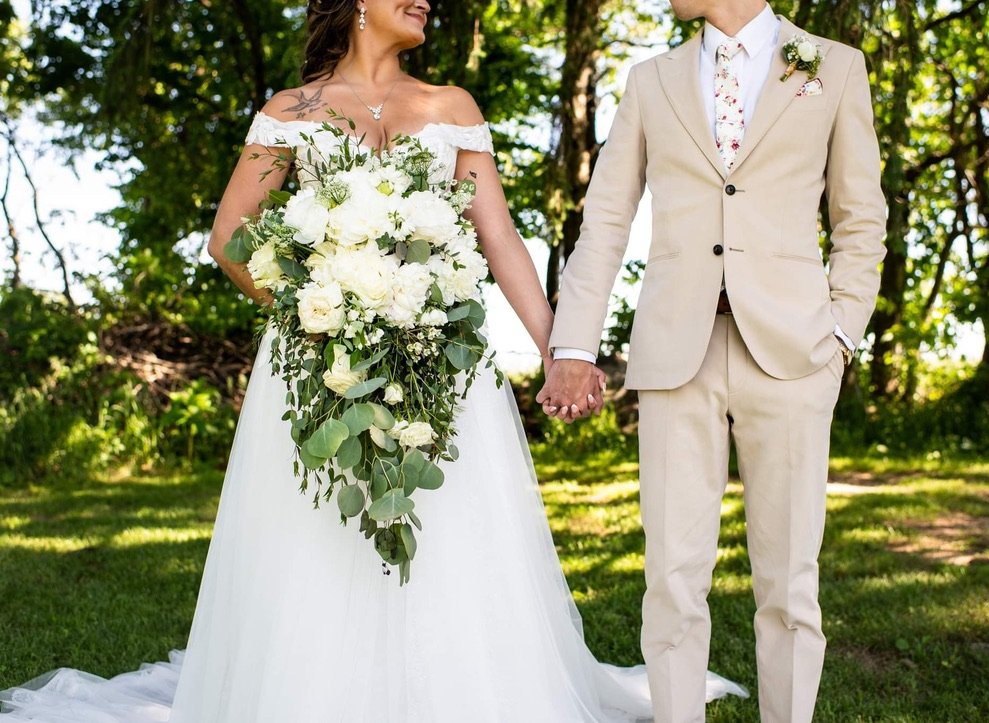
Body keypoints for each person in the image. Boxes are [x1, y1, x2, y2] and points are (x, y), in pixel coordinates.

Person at [0, 2, 749, 721]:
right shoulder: (291, 110)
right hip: (320, 362)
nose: (425, 1)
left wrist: (563, 352)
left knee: (444, 528)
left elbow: (498, 239)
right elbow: (229, 236)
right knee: (319, 532)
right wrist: (315, 307)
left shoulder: (452, 106)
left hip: (436, 360)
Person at [537, 0, 887, 721]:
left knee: (789, 582)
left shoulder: (834, 66)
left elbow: (860, 217)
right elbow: (606, 219)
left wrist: (841, 335)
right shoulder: (651, 80)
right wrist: (573, 346)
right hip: (676, 354)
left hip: (793, 354)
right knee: (671, 577)